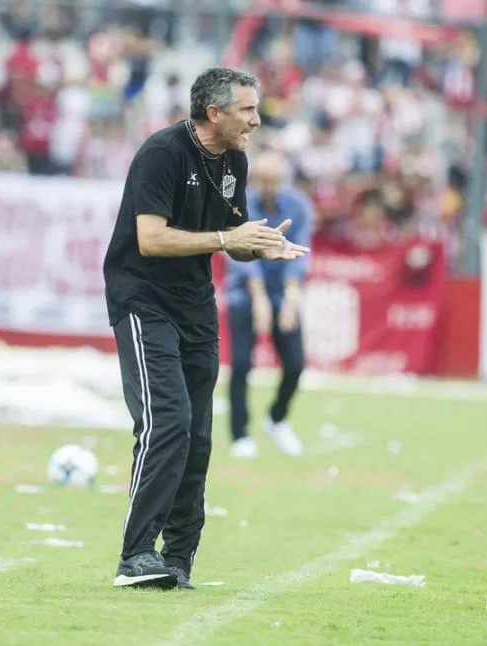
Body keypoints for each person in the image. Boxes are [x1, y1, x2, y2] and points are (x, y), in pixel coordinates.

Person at [102, 67, 310, 590]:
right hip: (142, 299)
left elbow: (231, 241)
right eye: (247, 110)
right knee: (166, 420)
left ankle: (177, 557)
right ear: (213, 112)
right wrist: (224, 238)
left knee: (197, 434)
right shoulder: (161, 153)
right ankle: (134, 557)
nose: (257, 120)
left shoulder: (235, 161)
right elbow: (150, 238)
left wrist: (258, 246)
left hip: (195, 302)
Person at [225, 151, 314, 459]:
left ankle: (277, 418)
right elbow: (239, 253)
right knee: (240, 365)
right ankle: (239, 434)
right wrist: (259, 297)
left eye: (274, 180)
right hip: (244, 294)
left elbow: (301, 251)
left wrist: (291, 296)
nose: (268, 186)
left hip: (282, 291)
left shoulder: (299, 206)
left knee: (295, 364)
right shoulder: (241, 205)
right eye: (263, 180)